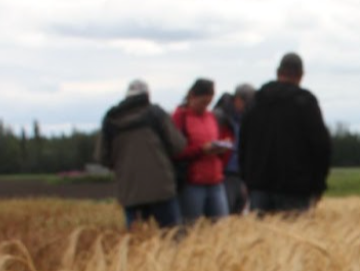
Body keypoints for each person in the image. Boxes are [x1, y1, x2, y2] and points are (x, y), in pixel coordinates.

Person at [239, 53, 332, 214]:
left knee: (262, 236)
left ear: (277, 72)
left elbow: (242, 143)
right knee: (294, 237)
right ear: (301, 74)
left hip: (259, 186)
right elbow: (321, 146)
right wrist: (318, 185)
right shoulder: (306, 102)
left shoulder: (256, 101)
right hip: (295, 188)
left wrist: (246, 180)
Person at [97, 79, 187, 229]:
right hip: (161, 188)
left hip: (130, 191)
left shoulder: (111, 118)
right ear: (147, 94)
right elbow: (178, 146)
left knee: (136, 241)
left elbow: (102, 157)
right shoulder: (155, 113)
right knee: (172, 237)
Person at [172, 78, 231, 223]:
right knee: (191, 227)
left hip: (215, 179)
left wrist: (222, 146)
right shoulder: (180, 117)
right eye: (203, 102)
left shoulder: (211, 117)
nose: (205, 107)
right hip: (192, 183)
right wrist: (201, 150)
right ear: (192, 96)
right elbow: (176, 151)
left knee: (223, 227)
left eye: (209, 103)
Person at [214, 84, 256, 215]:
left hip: (241, 174)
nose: (249, 107)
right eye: (248, 103)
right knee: (225, 214)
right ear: (238, 100)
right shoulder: (220, 117)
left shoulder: (245, 119)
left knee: (236, 216)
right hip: (225, 173)